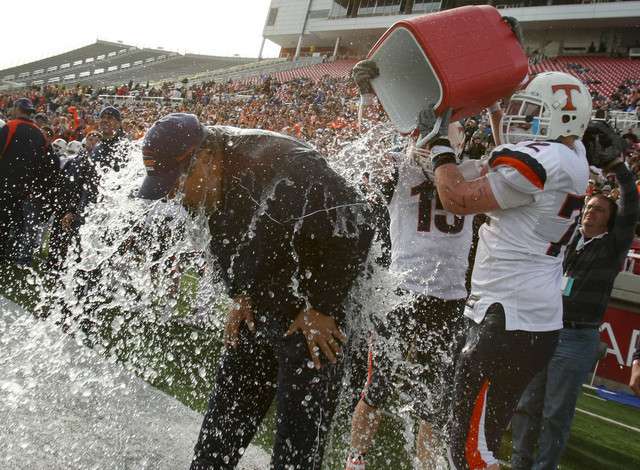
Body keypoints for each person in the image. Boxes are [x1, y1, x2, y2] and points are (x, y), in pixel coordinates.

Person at [137, 113, 375, 470]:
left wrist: (322, 306)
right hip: (264, 298)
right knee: (214, 446)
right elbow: (222, 239)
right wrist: (241, 293)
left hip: (316, 317)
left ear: (204, 158)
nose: (172, 195)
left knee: (295, 457)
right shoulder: (203, 181)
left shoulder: (281, 162)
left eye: (175, 183)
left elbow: (359, 220)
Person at [420, 71, 593, 470]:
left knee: (469, 452)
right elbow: (520, 164)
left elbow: (457, 199)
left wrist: (440, 145)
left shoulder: (542, 163)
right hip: (529, 318)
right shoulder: (572, 155)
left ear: (559, 121)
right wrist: (498, 106)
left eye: (534, 113)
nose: (521, 119)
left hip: (508, 318)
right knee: (482, 444)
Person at [344, 59, 502, 470]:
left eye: (452, 127)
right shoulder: (403, 165)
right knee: (378, 385)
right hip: (405, 290)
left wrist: (498, 111)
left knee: (434, 400)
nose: (444, 132)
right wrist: (367, 96)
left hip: (449, 295)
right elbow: (368, 147)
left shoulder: (468, 171)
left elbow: (506, 160)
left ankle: (423, 464)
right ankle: (355, 458)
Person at [510, 121, 638, 470]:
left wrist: (617, 169)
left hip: (577, 335)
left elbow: (630, 208)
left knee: (555, 412)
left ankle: (544, 467)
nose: (590, 212)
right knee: (527, 403)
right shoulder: (567, 240)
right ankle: (520, 463)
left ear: (609, 221)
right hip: (543, 327)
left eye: (598, 209)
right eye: (589, 206)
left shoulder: (612, 246)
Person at [0, 98, 59, 263]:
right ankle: (12, 256)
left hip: (5, 186)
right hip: (26, 190)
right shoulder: (38, 132)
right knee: (19, 225)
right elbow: (46, 163)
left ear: (17, 109)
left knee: (4, 222)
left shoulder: (10, 126)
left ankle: (4, 254)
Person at [91, 106, 130, 171]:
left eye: (110, 118)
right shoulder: (96, 146)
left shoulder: (125, 147)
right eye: (102, 117)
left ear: (119, 123)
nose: (105, 120)